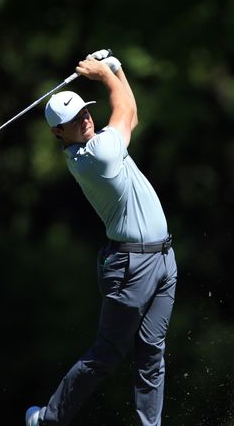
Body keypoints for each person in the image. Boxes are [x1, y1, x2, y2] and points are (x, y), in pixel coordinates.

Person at [26, 52, 178, 426]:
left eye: (84, 113)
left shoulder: (104, 141)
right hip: (132, 266)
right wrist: (107, 75)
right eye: (73, 121)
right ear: (58, 133)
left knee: (151, 356)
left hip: (163, 260)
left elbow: (132, 114)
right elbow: (124, 109)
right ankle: (48, 419)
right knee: (106, 354)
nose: (84, 120)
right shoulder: (94, 156)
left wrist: (116, 67)